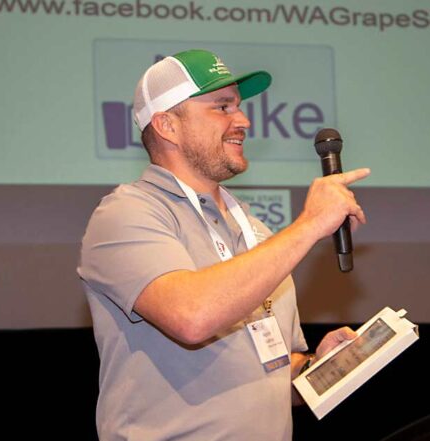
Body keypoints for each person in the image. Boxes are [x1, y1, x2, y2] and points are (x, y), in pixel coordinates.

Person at [77, 48, 370, 440]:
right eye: (222, 107)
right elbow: (192, 317)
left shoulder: (256, 231)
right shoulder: (126, 215)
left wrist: (319, 365)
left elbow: (273, 374)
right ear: (168, 125)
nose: (244, 121)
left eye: (239, 106)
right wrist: (310, 224)